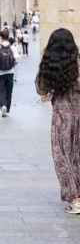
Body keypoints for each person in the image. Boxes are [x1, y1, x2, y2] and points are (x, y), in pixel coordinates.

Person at [37, 28, 80, 214]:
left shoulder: (50, 65)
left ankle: (75, 198)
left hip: (62, 118)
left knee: (63, 157)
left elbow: (41, 90)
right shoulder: (77, 64)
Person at [0, 28, 17, 118]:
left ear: (0, 37)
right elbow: (16, 60)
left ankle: (3, 105)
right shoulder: (12, 47)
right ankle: (7, 109)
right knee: (9, 91)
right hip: (10, 72)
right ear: (8, 36)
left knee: (0, 90)